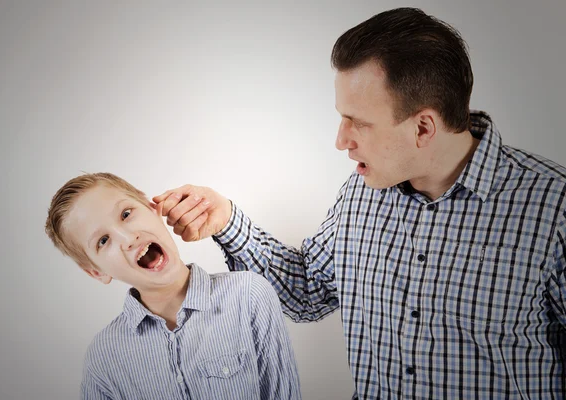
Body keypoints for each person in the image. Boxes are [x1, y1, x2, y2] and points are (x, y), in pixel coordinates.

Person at [153, 7, 566, 399]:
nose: (341, 140)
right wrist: (226, 220)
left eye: (360, 123)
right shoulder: (360, 193)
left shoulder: (554, 207)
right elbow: (307, 292)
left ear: (424, 127)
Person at [44, 172, 301, 400]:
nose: (128, 238)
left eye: (125, 214)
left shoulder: (249, 295)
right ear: (95, 271)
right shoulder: (104, 357)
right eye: (103, 240)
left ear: (151, 207)